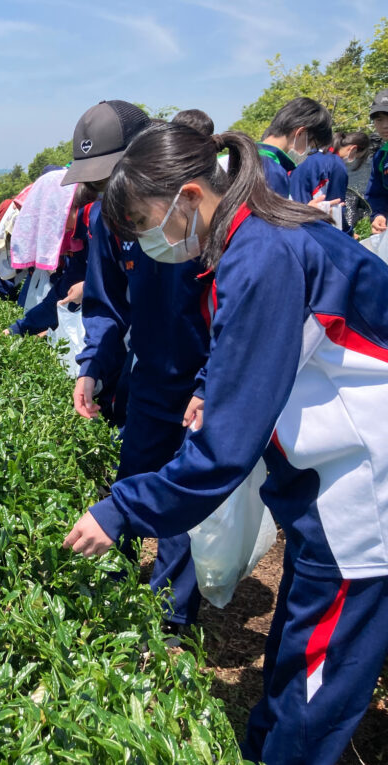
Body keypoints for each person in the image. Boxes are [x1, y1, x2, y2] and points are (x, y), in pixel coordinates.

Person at [63, 122, 388, 765]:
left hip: (363, 487)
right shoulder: (257, 239)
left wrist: (120, 509)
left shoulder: (263, 254)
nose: (143, 242)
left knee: (317, 677)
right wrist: (215, 384)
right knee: (299, 636)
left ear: (188, 196)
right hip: (323, 474)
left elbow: (226, 450)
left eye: (143, 223)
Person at [65, 100, 209, 633]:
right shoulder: (112, 220)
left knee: (184, 510)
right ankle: (112, 607)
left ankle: (170, 626)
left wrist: (212, 382)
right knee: (131, 483)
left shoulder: (199, 210)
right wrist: (93, 367)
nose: (107, 194)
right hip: (150, 376)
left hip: (201, 383)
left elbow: (241, 313)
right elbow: (107, 303)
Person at [1, 181, 97, 337]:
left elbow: (123, 279)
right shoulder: (79, 236)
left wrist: (90, 286)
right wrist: (19, 328)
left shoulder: (97, 224)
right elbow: (64, 291)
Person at [257, 97, 333, 198]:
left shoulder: (240, 155)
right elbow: (272, 213)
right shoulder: (273, 171)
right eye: (311, 147)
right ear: (300, 133)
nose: (308, 152)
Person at [366, 87, 388, 234]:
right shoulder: (381, 156)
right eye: (379, 119)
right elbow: (376, 194)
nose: (385, 125)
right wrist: (379, 215)